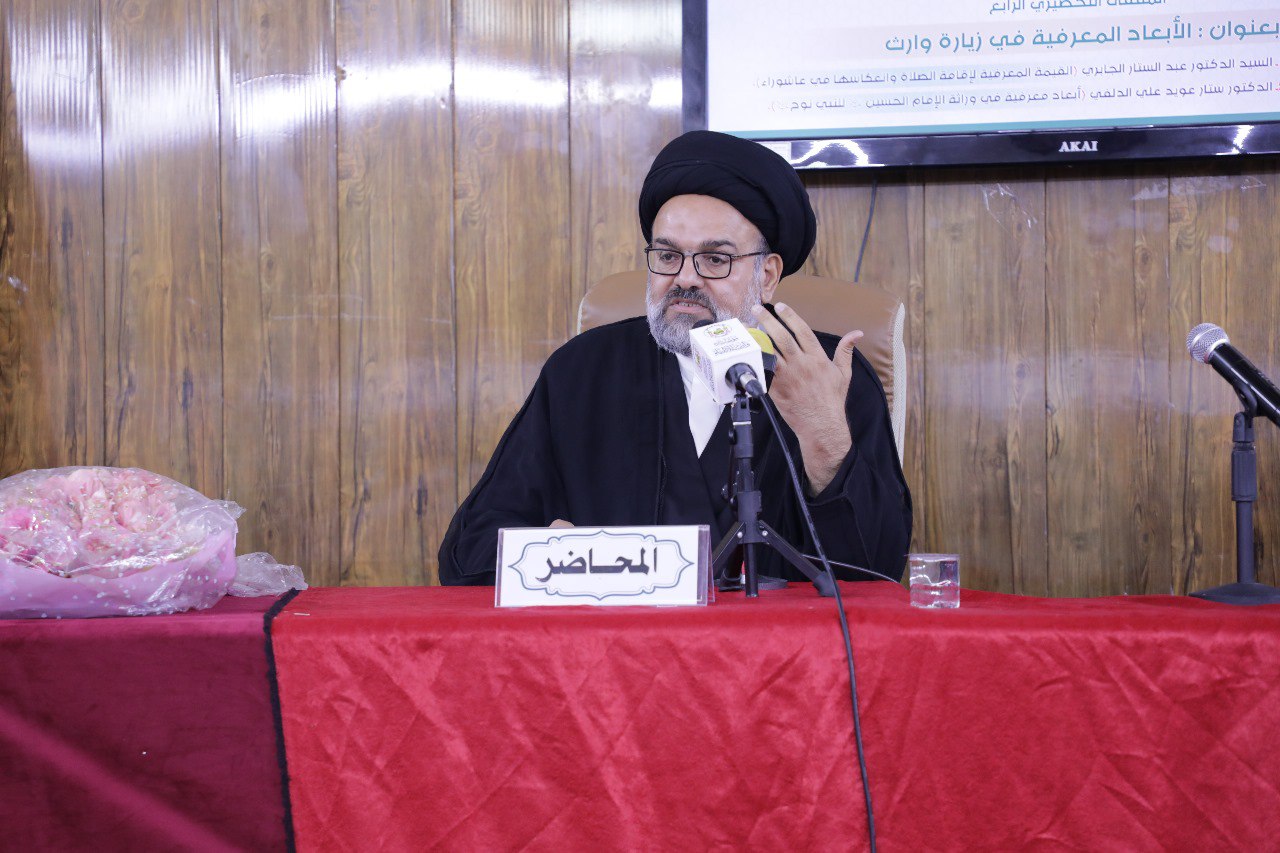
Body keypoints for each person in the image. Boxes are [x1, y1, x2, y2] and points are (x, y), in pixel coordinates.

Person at [439, 130, 911, 585]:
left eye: (715, 259)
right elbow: (469, 551)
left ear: (767, 275)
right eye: (668, 256)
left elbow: (877, 569)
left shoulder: (825, 373)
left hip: (779, 639)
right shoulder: (582, 371)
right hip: (620, 637)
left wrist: (825, 438)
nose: (685, 278)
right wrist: (551, 549)